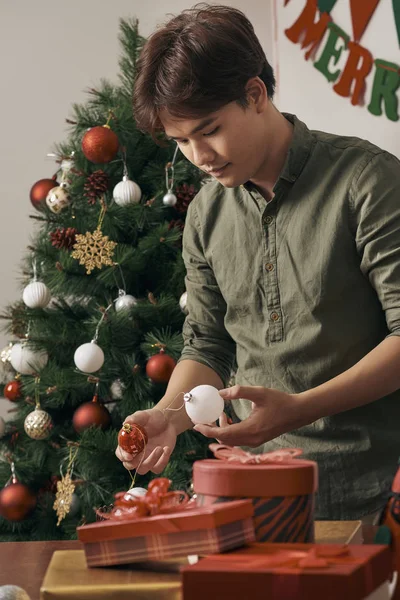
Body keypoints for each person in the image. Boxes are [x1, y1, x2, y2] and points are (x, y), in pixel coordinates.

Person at [115, 3, 400, 521]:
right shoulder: (206, 213)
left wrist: (297, 409)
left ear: (255, 94)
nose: (198, 155)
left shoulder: (368, 182)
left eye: (209, 130)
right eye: (181, 142)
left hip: (376, 492)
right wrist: (167, 416)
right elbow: (209, 342)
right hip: (252, 499)